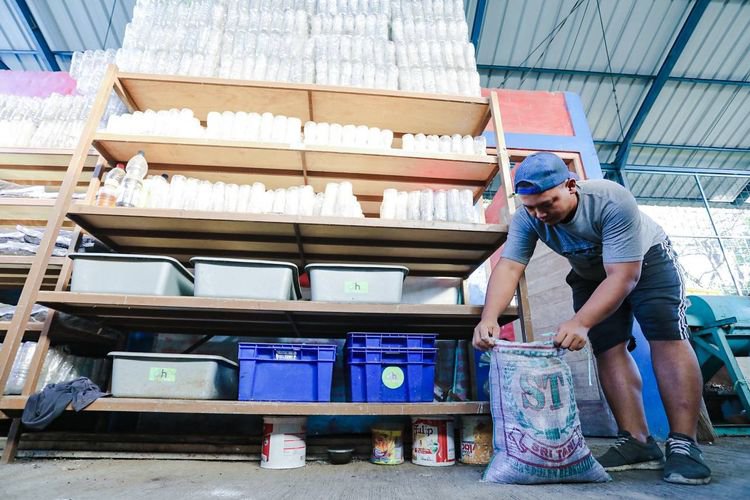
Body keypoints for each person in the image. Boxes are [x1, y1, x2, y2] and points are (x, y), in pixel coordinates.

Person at [473, 152, 711, 485]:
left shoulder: (610, 200)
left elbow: (623, 276)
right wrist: (490, 318)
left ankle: (684, 445)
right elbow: (510, 266)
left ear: (570, 185)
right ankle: (638, 442)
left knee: (666, 335)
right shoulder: (528, 217)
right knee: (607, 347)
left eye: (547, 203)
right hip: (590, 272)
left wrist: (581, 321)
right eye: (531, 207)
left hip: (646, 261)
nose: (539, 214)